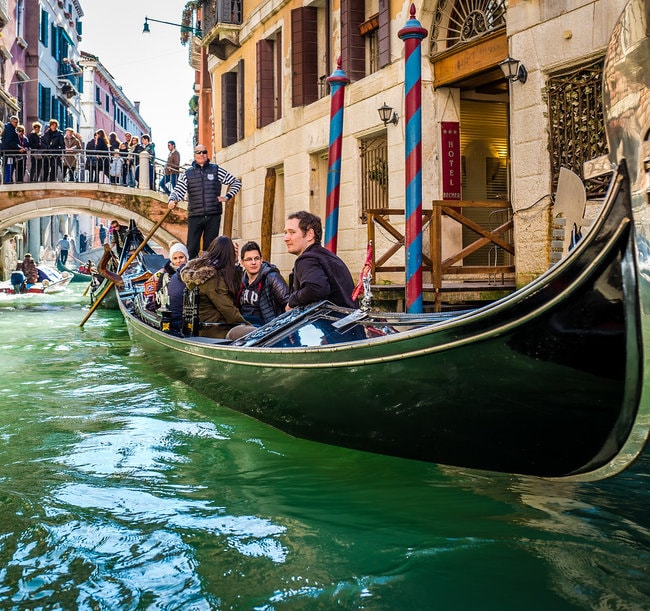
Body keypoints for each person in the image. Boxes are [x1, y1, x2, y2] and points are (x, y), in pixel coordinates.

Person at [167, 144, 242, 259]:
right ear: (194, 155)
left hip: (213, 214)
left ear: (207, 154)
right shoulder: (187, 174)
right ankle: (190, 274)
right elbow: (178, 191)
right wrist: (172, 200)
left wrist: (227, 197)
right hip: (195, 215)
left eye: (204, 152)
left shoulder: (216, 170)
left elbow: (236, 182)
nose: (202, 154)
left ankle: (209, 273)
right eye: (199, 152)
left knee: (210, 249)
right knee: (191, 248)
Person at [180, 236, 252, 339]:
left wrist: (235, 263)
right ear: (228, 255)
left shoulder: (205, 272)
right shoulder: (212, 279)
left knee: (255, 320)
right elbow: (227, 309)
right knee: (256, 328)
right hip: (214, 330)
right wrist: (249, 326)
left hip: (206, 326)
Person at [284, 211, 356, 309]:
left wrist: (292, 301)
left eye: (292, 232)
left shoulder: (307, 259)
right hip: (348, 320)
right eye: (285, 233)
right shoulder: (327, 256)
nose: (286, 238)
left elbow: (316, 288)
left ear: (310, 234)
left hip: (331, 321)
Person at [237, 241, 289, 325]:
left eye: (256, 258)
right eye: (249, 259)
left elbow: (288, 303)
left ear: (261, 260)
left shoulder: (272, 277)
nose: (253, 262)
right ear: (242, 262)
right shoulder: (242, 281)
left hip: (264, 327)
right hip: (243, 324)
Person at [147, 242, 189, 333]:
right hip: (169, 314)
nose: (178, 261)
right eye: (175, 258)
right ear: (171, 260)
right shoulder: (164, 275)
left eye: (181, 257)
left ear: (186, 258)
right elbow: (158, 294)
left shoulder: (192, 273)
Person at [1, 115, 24, 183]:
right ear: (11, 122)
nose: (16, 124)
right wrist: (18, 148)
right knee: (9, 167)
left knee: (8, 167)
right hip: (9, 153)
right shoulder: (10, 129)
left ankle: (8, 181)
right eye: (15, 122)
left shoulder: (9, 128)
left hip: (8, 152)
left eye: (17, 122)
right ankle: (7, 182)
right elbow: (10, 141)